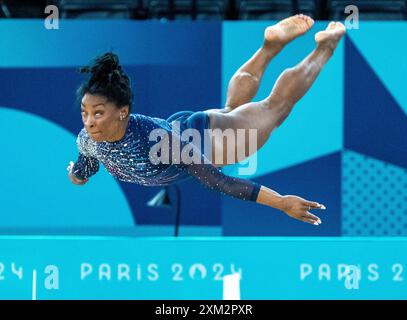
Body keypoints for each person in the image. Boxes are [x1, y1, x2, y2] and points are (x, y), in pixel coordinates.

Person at [67, 15, 346, 226]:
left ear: (123, 111)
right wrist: (76, 175)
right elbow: (85, 166)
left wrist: (282, 202)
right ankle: (269, 45)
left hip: (214, 143)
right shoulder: (87, 140)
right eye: (85, 112)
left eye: (98, 112)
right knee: (233, 109)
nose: (89, 121)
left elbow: (219, 182)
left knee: (276, 107)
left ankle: (324, 48)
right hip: (187, 128)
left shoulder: (158, 142)